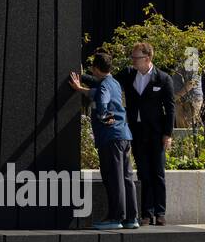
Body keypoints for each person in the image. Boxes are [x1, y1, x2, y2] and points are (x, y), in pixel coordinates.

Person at [70, 51, 139, 230]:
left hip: (111, 138)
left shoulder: (104, 87)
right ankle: (131, 218)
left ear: (95, 69)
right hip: (124, 136)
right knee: (126, 177)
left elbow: (102, 100)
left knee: (113, 178)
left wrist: (103, 116)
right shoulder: (114, 82)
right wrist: (80, 89)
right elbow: (97, 92)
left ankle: (116, 217)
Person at [118, 41, 175, 226]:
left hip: (156, 132)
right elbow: (107, 80)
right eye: (132, 57)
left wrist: (168, 134)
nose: (133, 61)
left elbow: (170, 108)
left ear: (148, 58)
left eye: (137, 57)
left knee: (157, 172)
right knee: (143, 172)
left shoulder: (163, 78)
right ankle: (145, 213)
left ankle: (160, 212)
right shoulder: (128, 74)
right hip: (137, 131)